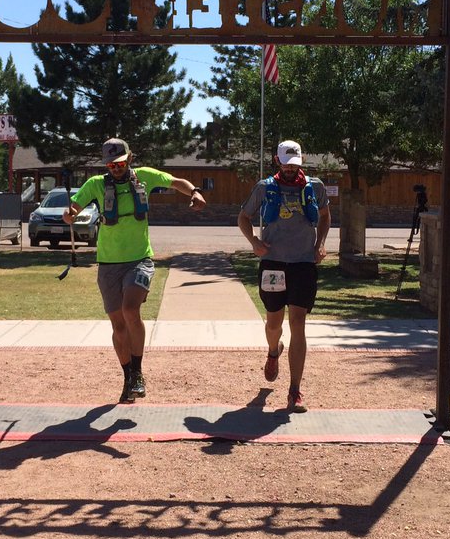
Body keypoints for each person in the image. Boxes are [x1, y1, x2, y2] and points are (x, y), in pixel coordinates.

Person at [63, 138, 206, 404]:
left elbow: (177, 182)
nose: (115, 168)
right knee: (118, 325)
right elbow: (74, 207)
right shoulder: (96, 184)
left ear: (129, 158)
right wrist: (69, 214)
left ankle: (138, 373)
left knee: (131, 310)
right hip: (108, 263)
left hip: (140, 259)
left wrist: (195, 192)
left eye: (119, 162)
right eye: (110, 164)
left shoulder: (145, 177)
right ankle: (128, 376)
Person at [237, 140, 331, 413]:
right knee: (274, 323)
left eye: (295, 165)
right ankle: (272, 350)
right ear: (277, 162)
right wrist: (253, 241)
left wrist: (321, 243)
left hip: (303, 263)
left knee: (298, 322)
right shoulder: (264, 188)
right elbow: (243, 217)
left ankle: (295, 391)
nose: (291, 169)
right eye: (286, 164)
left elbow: (325, 215)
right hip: (273, 264)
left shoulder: (316, 187)